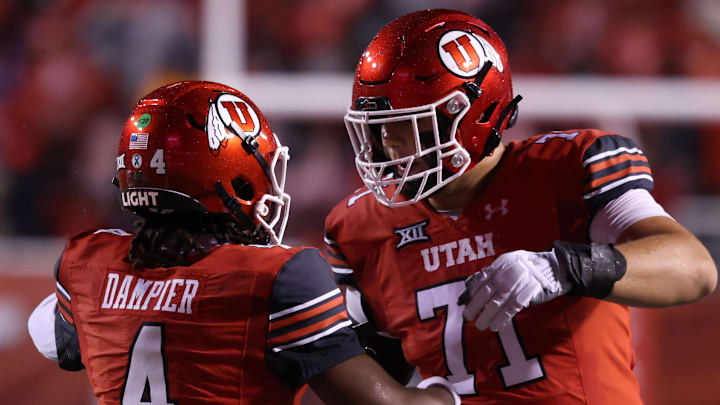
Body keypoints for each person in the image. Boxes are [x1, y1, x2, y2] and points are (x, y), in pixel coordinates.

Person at [325, 9, 717, 404]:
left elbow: (694, 269)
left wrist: (564, 267)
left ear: (471, 116)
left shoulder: (567, 168)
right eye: (377, 127)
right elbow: (376, 382)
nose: (386, 147)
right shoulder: (360, 225)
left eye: (406, 127)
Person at [27, 81, 461, 405]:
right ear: (229, 173)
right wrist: (452, 388)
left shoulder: (85, 260)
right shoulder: (276, 276)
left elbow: (61, 344)